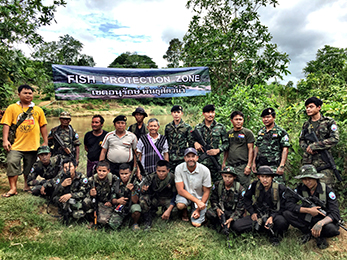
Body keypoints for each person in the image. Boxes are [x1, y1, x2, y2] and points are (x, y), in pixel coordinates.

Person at [1, 84, 48, 197]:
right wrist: (5, 140)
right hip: (15, 145)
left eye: (30, 93)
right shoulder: (12, 108)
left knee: (29, 167)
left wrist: (45, 141)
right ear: (19, 94)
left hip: (33, 145)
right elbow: (6, 124)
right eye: (25, 93)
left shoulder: (38, 110)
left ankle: (27, 186)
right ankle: (13, 188)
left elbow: (43, 126)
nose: (28, 95)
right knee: (12, 162)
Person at [283, 165, 340, 249]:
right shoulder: (300, 189)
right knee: (287, 214)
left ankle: (317, 234)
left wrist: (320, 223)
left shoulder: (327, 190)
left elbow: (335, 213)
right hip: (307, 218)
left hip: (323, 220)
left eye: (310, 178)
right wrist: (308, 210)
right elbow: (288, 204)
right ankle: (309, 231)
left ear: (316, 178)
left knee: (332, 229)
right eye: (304, 179)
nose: (307, 181)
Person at [233, 166, 289, 246]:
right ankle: (263, 228)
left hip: (274, 215)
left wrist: (272, 217)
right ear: (258, 177)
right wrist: (252, 213)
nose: (265, 180)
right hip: (258, 214)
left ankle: (274, 234)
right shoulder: (255, 185)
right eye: (262, 176)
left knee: (282, 222)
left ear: (272, 177)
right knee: (237, 226)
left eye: (267, 177)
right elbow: (246, 199)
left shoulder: (279, 188)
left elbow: (285, 206)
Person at [299, 97, 339, 186]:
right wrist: (307, 149)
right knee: (308, 190)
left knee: (325, 189)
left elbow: (334, 139)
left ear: (319, 107)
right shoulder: (306, 124)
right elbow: (301, 140)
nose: (308, 109)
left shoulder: (328, 122)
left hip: (324, 162)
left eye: (311, 107)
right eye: (307, 107)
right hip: (309, 162)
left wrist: (315, 146)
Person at [175, 148, 211, 227]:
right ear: (184, 158)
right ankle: (184, 211)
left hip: (200, 197)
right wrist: (197, 202)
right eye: (188, 156)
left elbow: (206, 192)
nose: (190, 159)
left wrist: (198, 209)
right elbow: (180, 190)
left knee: (196, 224)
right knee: (180, 205)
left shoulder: (205, 170)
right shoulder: (179, 168)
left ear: (197, 158)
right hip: (186, 196)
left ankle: (195, 211)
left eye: (193, 156)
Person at [252, 108, 290, 184]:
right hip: (261, 165)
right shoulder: (261, 131)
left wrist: (282, 165)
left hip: (274, 166)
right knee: (262, 188)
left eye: (268, 117)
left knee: (276, 189)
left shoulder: (280, 132)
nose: (265, 119)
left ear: (274, 117)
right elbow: (257, 147)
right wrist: (254, 162)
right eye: (264, 117)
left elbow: (285, 149)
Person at [192, 104, 228, 182]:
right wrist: (195, 143)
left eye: (212, 112)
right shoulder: (198, 127)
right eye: (208, 112)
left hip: (215, 161)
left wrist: (218, 150)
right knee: (200, 184)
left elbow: (226, 143)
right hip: (201, 162)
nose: (210, 114)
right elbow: (191, 140)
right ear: (203, 114)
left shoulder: (220, 127)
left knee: (218, 184)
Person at [206, 166, 245, 233]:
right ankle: (218, 223)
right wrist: (217, 209)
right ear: (222, 176)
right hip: (221, 210)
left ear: (234, 177)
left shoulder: (240, 189)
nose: (227, 179)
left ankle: (228, 224)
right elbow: (213, 199)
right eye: (225, 176)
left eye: (230, 177)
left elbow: (240, 208)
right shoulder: (218, 185)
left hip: (233, 212)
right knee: (209, 213)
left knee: (237, 225)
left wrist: (231, 218)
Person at [140, 160, 177, 230]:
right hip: (156, 199)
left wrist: (169, 210)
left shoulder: (172, 178)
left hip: (167, 199)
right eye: (158, 171)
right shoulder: (151, 177)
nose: (161, 173)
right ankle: (148, 219)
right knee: (143, 200)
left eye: (163, 171)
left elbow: (175, 195)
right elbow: (141, 191)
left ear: (168, 170)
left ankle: (165, 210)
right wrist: (143, 189)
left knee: (175, 211)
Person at [222, 111, 255, 187]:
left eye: (240, 119)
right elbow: (226, 149)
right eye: (236, 119)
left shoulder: (247, 133)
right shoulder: (229, 133)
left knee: (244, 187)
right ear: (231, 121)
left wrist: (249, 165)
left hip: (242, 166)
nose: (238, 121)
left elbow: (251, 150)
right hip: (230, 166)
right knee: (231, 187)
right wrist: (224, 163)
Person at [109, 163, 141, 231]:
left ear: (130, 173)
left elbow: (136, 201)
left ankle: (135, 223)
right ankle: (124, 220)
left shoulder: (134, 183)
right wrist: (118, 201)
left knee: (136, 210)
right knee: (113, 224)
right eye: (122, 174)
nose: (124, 176)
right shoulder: (116, 184)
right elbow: (112, 199)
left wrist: (132, 190)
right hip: (121, 207)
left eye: (126, 173)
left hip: (131, 205)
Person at [84, 161, 114, 228]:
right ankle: (91, 219)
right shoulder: (92, 180)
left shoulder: (112, 179)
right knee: (86, 201)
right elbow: (85, 192)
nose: (101, 173)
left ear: (108, 171)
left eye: (104, 171)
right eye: (99, 170)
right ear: (96, 169)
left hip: (106, 203)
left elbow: (116, 192)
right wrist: (90, 193)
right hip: (96, 202)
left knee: (102, 221)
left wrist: (111, 201)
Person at [165, 105, 193, 173]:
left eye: (178, 112)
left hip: (182, 158)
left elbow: (191, 143)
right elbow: (166, 143)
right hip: (171, 158)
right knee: (171, 178)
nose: (176, 114)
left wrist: (189, 157)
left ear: (182, 113)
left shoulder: (187, 127)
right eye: (174, 112)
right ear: (172, 113)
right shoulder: (168, 127)